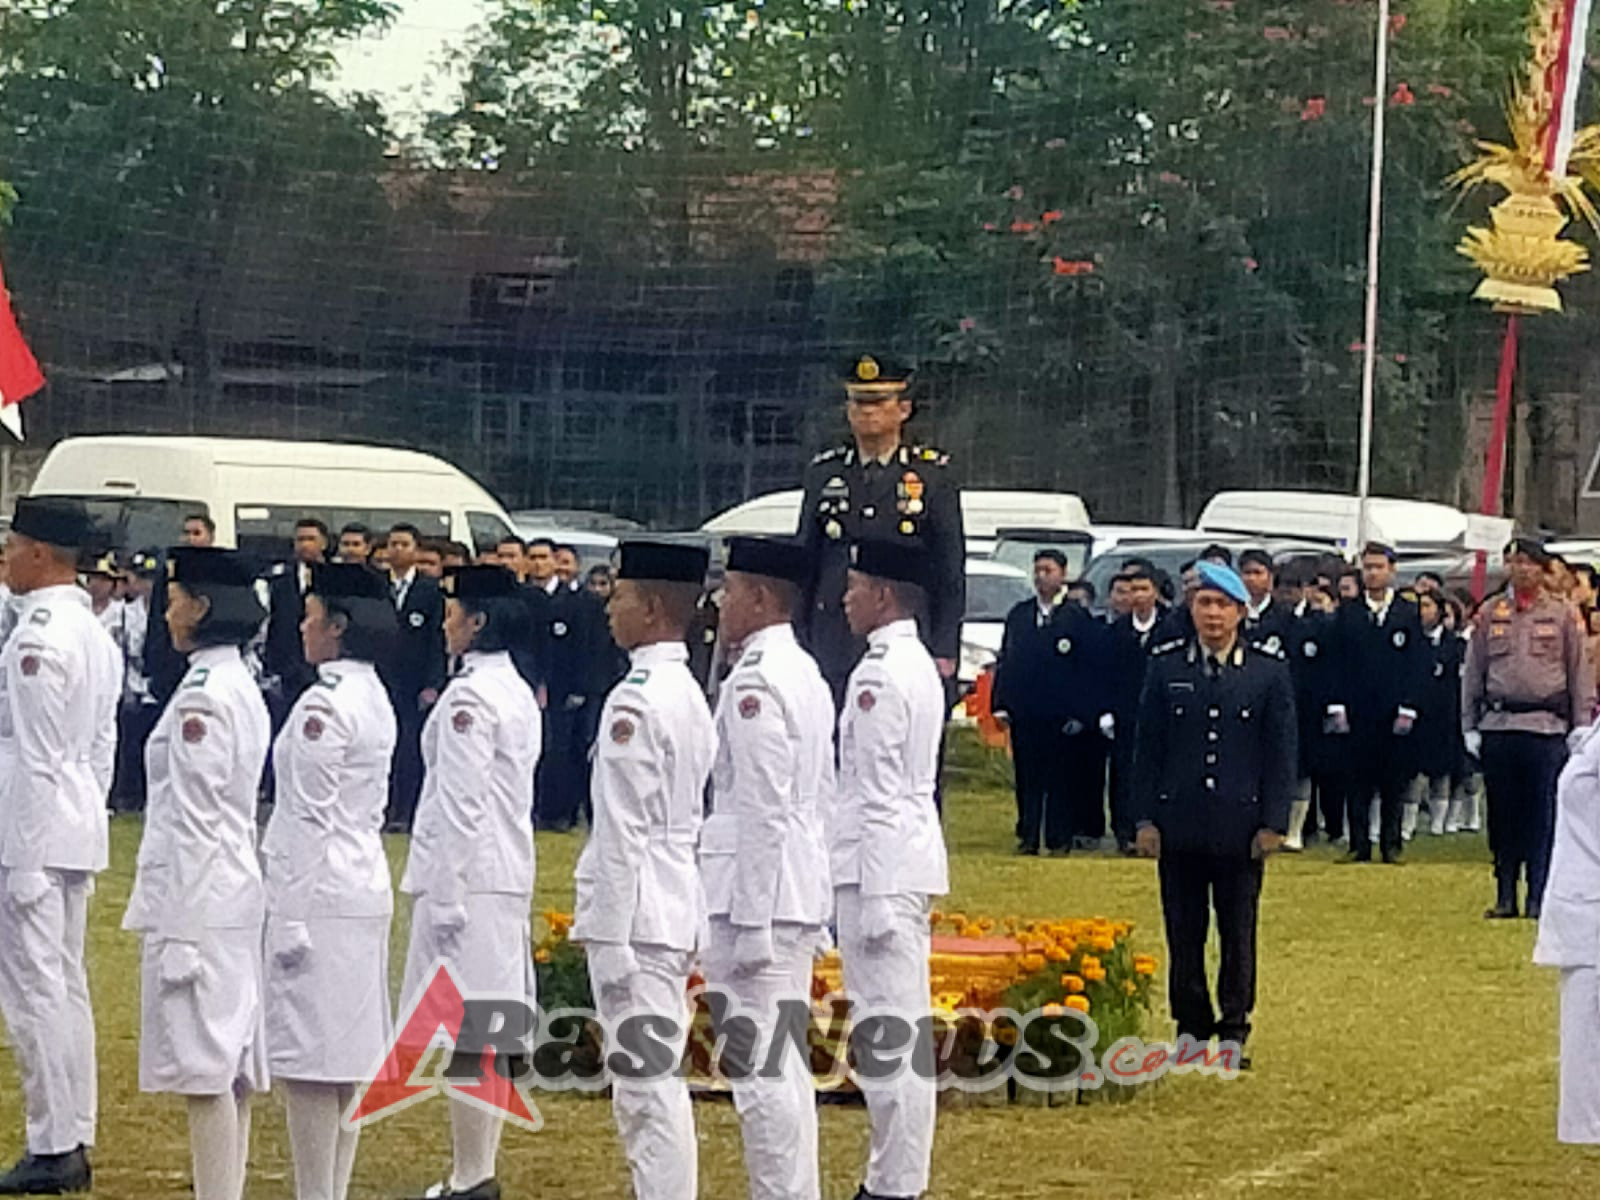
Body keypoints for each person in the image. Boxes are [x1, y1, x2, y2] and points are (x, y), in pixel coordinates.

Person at [123, 546, 272, 1200]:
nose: (169, 613)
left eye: (177, 599)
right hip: (229, 887)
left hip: (202, 896)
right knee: (226, 1062)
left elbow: (195, 818)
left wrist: (179, 929)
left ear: (203, 607)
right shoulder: (229, 680)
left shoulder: (204, 699)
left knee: (207, 1068)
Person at [573, 540, 715, 1200]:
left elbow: (623, 827)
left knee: (645, 1090)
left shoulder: (635, 700)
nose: (610, 605)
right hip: (670, 894)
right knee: (650, 1083)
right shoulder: (683, 688)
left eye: (623, 596)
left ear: (654, 608)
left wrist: (606, 931)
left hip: (638, 911)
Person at [398, 565, 540, 1200]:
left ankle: (471, 1174)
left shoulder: (470, 698)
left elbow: (462, 801)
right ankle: (473, 1167)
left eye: (454, 611)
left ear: (477, 620)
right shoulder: (511, 687)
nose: (445, 622)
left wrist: (447, 892)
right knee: (486, 1030)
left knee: (471, 1033)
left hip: (471, 875)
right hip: (501, 871)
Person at [701, 536, 833, 1200]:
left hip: (762, 896)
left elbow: (762, 807)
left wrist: (751, 920)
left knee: (762, 1074)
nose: (720, 604)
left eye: (729, 590)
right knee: (779, 1070)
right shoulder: (802, 670)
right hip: (790, 888)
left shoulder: (757, 681)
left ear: (758, 597)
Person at [262, 564, 398, 1200]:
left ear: (338, 627)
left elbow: (307, 817)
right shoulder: (373, 693)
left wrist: (289, 913)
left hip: (321, 889)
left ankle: (316, 1191)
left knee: (314, 1062)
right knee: (345, 1058)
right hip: (360, 880)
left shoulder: (325, 703)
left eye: (312, 616)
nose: (302, 626)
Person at [0, 498, 120, 1196]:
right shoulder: (89, 628)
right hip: (71, 818)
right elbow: (98, 747)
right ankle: (73, 1126)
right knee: (63, 984)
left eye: (13, 548)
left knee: (35, 988)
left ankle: (53, 1141)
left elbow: (40, 754)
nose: (8, 561)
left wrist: (26, 858)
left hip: (34, 825)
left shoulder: (41, 634)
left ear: (41, 554)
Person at [1132, 563, 1295, 1070]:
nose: (1213, 615)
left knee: (1237, 932)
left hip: (1239, 827)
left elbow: (1281, 752)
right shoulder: (1165, 667)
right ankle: (1190, 1026)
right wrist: (1142, 819)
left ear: (1241, 612)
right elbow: (1146, 750)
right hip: (1179, 823)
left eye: (1223, 605)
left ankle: (1233, 1028)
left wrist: (1274, 821)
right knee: (1183, 932)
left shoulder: (1268, 672)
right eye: (1204, 604)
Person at [832, 538, 948, 1200]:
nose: (845, 599)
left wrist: (873, 892)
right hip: (900, 853)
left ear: (883, 595)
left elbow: (874, 787)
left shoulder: (880, 673)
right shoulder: (908, 662)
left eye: (855, 586)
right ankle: (891, 1176)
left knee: (888, 1033)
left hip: (884, 862)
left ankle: (896, 1183)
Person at [798, 355, 966, 706]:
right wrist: (801, 637)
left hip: (904, 634)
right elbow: (807, 561)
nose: (867, 412)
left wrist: (945, 647)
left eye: (878, 402)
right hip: (833, 636)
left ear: (903, 409)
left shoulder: (931, 476)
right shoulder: (825, 474)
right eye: (859, 402)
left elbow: (949, 570)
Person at [1463, 538, 1592, 920]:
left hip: (1547, 728)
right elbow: (1474, 673)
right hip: (1500, 725)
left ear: (1541, 568)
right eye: (1513, 561)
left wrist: (1581, 725)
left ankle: (1538, 893)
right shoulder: (1490, 613)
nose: (1520, 569)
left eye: (1527, 562)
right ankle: (1505, 893)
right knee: (1503, 815)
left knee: (1542, 815)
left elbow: (1578, 673)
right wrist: (1469, 724)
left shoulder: (1563, 614)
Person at [991, 549, 1114, 856]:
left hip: (1062, 713)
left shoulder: (1076, 616)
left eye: (1048, 570)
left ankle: (1059, 837)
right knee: (1027, 776)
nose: (1041, 576)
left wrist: (1084, 711)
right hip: (1027, 710)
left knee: (1061, 778)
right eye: (1038, 570)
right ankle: (1029, 834)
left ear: (1063, 573)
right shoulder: (1020, 615)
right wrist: (1002, 703)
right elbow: (1007, 660)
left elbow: (1089, 668)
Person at [1327, 543, 1426, 865]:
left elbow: (1417, 662)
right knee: (1357, 781)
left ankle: (1391, 844)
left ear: (1392, 570)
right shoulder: (1348, 611)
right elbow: (1336, 661)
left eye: (1378, 566)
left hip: (1394, 710)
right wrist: (1336, 705)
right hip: (1357, 710)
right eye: (1367, 567)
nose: (1372, 572)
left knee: (1393, 782)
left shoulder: (1408, 613)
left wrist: (1409, 706)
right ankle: (1358, 844)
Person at [1533, 720, 1600, 1144]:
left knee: (1586, 1016)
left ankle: (1586, 1122)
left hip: (1590, 895)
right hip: (1582, 893)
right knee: (1583, 1018)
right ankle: (1584, 1121)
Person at [383, 523, 447, 831]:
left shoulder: (430, 591)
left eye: (404, 544)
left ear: (416, 550)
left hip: (414, 681)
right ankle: (384, 807)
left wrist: (433, 684)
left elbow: (438, 641)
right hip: (382, 680)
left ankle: (405, 811)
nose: (396, 549)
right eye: (392, 543)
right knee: (383, 746)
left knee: (409, 748)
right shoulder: (377, 586)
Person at [1109, 564, 1171, 854]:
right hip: (1125, 714)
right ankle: (1125, 832)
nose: (1138, 595)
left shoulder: (1170, 628)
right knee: (1123, 773)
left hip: (1162, 713)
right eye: (1133, 590)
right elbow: (1106, 674)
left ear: (1156, 593)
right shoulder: (1118, 630)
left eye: (1144, 589)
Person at [1284, 583, 1342, 850]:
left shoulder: (1323, 623)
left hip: (1310, 706)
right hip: (1275, 702)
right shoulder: (1277, 619)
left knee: (1307, 769)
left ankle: (1300, 830)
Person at [264, 518, 330, 731]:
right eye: (300, 539)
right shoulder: (279, 579)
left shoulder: (337, 579)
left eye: (311, 539)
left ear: (324, 543)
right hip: (287, 667)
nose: (305, 544)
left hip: (323, 667)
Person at [1410, 591, 1464, 839]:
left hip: (1446, 713)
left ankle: (1438, 822)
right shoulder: (1413, 641)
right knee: (1414, 771)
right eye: (1421, 606)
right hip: (1416, 712)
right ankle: (1408, 824)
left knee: (1441, 770)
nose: (1423, 611)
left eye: (1429, 606)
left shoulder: (1455, 644)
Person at [1238, 550, 1293, 654]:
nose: (1252, 578)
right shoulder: (1233, 611)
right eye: (1247, 573)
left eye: (1257, 573)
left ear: (1270, 577)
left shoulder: (1285, 615)